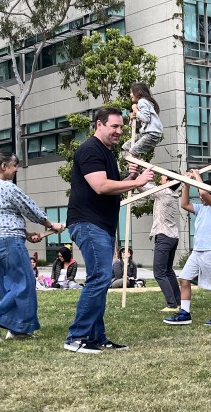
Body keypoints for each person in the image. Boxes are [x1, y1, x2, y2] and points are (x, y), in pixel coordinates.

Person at [64, 106, 154, 354]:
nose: (118, 131)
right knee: (100, 278)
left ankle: (96, 337)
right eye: (114, 126)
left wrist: (129, 178)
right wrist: (137, 182)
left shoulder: (106, 153)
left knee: (101, 280)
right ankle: (76, 338)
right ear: (99, 125)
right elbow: (101, 186)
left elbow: (113, 187)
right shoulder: (90, 150)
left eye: (121, 127)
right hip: (88, 223)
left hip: (101, 224)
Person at [0, 150, 65, 342]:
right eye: (14, 165)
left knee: (7, 286)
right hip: (9, 242)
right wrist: (51, 225)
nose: (16, 169)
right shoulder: (7, 187)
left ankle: (17, 329)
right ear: (3, 166)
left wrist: (25, 234)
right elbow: (30, 209)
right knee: (25, 283)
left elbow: (2, 216)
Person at [164, 170, 211, 326]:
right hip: (198, 252)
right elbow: (184, 204)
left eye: (203, 193)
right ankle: (185, 314)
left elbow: (204, 193)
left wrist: (197, 176)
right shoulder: (201, 208)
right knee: (184, 279)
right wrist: (186, 184)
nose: (200, 196)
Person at [134, 170, 181, 311]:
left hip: (164, 236)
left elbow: (141, 186)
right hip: (173, 236)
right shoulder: (173, 194)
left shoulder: (163, 192)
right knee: (168, 271)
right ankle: (178, 302)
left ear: (168, 181)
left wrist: (136, 175)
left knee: (159, 272)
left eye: (163, 175)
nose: (161, 176)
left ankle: (172, 304)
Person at [121, 82, 163, 159]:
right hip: (145, 133)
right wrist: (133, 117)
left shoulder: (142, 101)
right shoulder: (142, 104)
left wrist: (136, 111)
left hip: (152, 133)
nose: (130, 95)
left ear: (138, 92)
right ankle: (135, 163)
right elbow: (137, 125)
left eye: (131, 92)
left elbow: (146, 119)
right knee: (126, 147)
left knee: (133, 150)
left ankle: (136, 167)